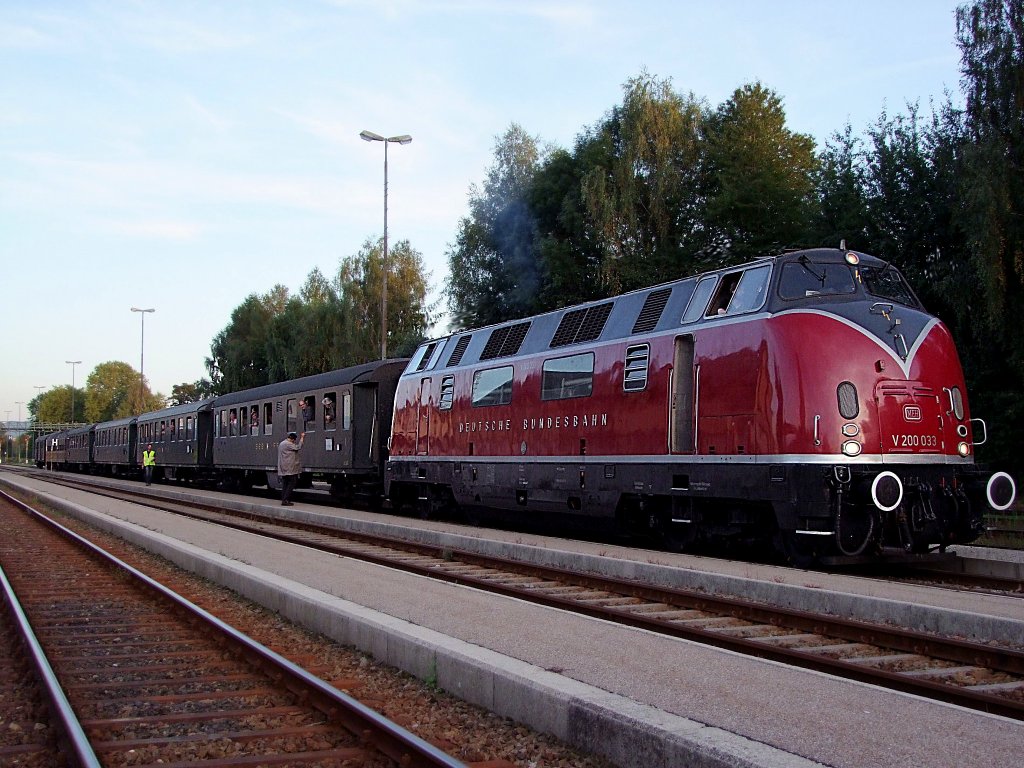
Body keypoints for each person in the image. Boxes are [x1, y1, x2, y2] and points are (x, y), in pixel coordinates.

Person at [277, 430, 304, 506]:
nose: (294, 442)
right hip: (289, 468)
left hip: (284, 467)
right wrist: (302, 438)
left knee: (285, 484)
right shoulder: (288, 444)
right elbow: (298, 447)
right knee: (292, 483)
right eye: (294, 441)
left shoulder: (282, 443)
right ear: (292, 439)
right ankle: (285, 500)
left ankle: (284, 499)